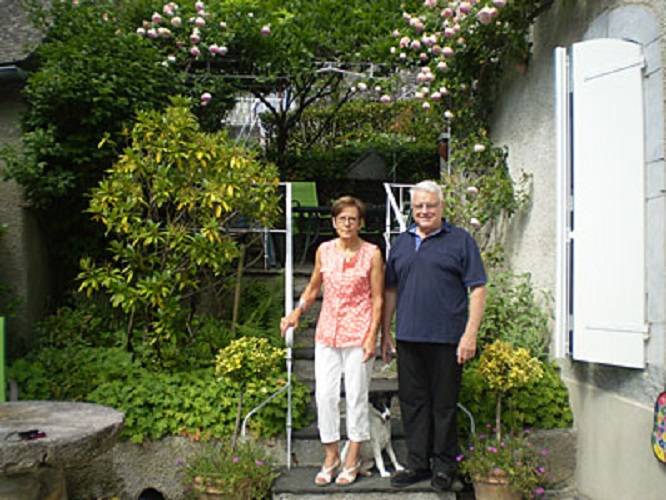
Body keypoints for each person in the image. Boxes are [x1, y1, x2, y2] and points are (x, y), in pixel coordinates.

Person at [381, 180, 487, 491]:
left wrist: (470, 334)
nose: (425, 211)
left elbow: (478, 288)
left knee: (444, 405)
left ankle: (444, 467)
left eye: (430, 205)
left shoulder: (461, 240)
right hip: (409, 337)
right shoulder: (401, 243)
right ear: (412, 209)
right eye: (419, 206)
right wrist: (386, 332)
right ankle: (417, 464)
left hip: (447, 339)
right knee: (413, 403)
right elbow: (390, 290)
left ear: (442, 207)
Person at [280, 196, 384, 486]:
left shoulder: (372, 253)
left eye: (353, 219)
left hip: (359, 333)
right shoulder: (324, 251)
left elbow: (378, 299)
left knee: (356, 396)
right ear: (334, 222)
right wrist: (297, 311)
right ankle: (331, 456)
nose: (347, 224)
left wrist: (372, 336)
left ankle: (353, 457)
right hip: (327, 333)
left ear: (361, 223)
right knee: (325, 396)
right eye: (342, 219)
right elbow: (313, 288)